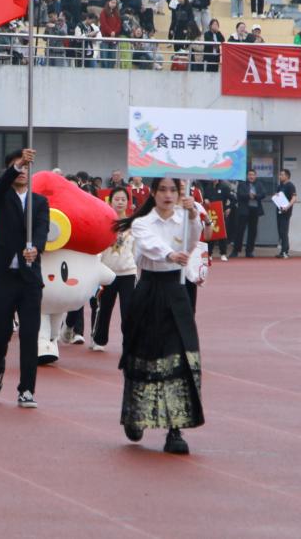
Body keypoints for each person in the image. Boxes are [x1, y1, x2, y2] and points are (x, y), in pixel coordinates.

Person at [116, 177, 205, 454]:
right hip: (148, 290)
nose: (168, 195)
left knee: (179, 357)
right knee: (143, 353)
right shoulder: (142, 223)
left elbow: (194, 239)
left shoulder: (185, 217)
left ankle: (174, 430)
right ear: (153, 193)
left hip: (177, 291)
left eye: (173, 190)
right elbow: (150, 245)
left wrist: (193, 214)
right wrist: (170, 254)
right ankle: (135, 413)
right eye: (163, 190)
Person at [0, 148, 49, 409]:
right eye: (18, 166)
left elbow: (42, 228)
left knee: (30, 334)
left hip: (29, 277)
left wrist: (36, 248)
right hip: (2, 275)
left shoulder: (39, 202)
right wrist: (17, 164)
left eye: (27, 167)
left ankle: (27, 389)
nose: (22, 171)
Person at [90, 187, 135, 351]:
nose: (120, 202)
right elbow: (98, 248)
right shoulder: (105, 222)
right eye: (117, 199)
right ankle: (98, 340)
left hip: (128, 273)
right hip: (107, 273)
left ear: (128, 202)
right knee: (104, 307)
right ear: (110, 201)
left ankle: (129, 342)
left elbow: (136, 249)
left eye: (123, 199)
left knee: (128, 309)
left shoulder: (133, 224)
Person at [230, 169, 265, 258]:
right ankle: (236, 251)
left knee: (252, 231)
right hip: (244, 210)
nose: (251, 176)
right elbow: (239, 195)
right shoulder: (242, 184)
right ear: (247, 176)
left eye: (253, 175)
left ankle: (249, 251)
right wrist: (248, 195)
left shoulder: (259, 184)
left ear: (255, 176)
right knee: (240, 231)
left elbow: (263, 194)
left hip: (255, 210)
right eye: (249, 175)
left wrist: (255, 196)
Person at [275, 169, 297, 259]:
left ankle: (285, 251)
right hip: (279, 211)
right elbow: (278, 196)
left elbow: (294, 198)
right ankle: (283, 251)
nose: (280, 176)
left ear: (287, 176)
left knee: (284, 231)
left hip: (286, 212)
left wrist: (287, 207)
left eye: (282, 175)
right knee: (280, 231)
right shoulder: (280, 186)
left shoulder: (290, 186)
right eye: (280, 175)